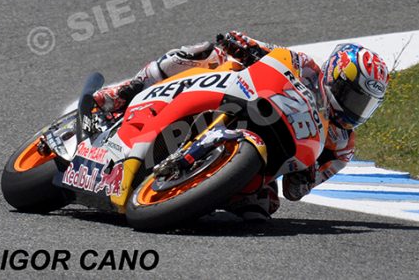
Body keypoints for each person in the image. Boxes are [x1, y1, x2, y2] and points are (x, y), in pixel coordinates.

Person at [92, 31, 390, 220]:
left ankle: (188, 194)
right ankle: (123, 94)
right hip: (246, 101)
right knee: (204, 52)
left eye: (365, 104)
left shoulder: (342, 147)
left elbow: (297, 192)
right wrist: (243, 45)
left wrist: (306, 175)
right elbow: (264, 51)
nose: (355, 109)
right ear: (334, 76)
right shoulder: (306, 66)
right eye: (353, 97)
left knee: (262, 212)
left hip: (268, 161)